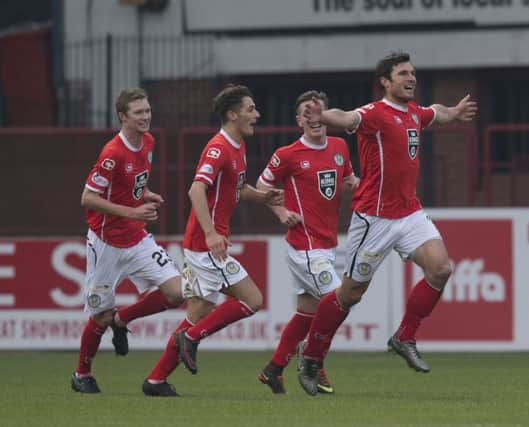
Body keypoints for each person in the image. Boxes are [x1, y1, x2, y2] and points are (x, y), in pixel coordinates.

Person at [296, 51, 478, 396]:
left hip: (409, 213)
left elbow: (433, 112)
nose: (411, 78)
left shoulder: (413, 112)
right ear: (386, 81)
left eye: (413, 73)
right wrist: (325, 115)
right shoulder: (374, 114)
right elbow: (346, 117)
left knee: (441, 269)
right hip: (374, 219)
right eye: (403, 73)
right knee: (350, 294)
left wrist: (451, 113)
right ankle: (312, 356)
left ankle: (404, 336)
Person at [141, 84, 283, 396]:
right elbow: (196, 190)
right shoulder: (218, 148)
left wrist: (263, 196)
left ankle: (155, 380)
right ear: (232, 115)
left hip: (203, 243)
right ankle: (192, 339)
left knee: (198, 311)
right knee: (252, 300)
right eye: (250, 109)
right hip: (205, 245)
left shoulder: (237, 145)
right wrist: (211, 233)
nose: (256, 115)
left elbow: (237, 190)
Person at [71, 88, 186, 394]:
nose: (146, 117)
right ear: (123, 117)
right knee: (99, 316)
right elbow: (88, 198)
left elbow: (134, 181)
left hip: (136, 239)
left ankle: (122, 321)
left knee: (177, 292)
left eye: (147, 111)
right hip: (106, 243)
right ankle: (82, 374)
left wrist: (144, 194)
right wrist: (133, 210)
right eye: (139, 113)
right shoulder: (112, 153)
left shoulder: (148, 141)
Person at [255, 90, 358, 395]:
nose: (314, 118)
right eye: (307, 113)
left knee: (308, 313)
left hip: (326, 244)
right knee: (340, 301)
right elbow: (262, 187)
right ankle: (314, 359)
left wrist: (357, 186)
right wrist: (280, 211)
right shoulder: (287, 154)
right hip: (304, 246)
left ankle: (273, 369)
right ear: (299, 120)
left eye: (319, 112)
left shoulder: (340, 147)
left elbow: (349, 180)